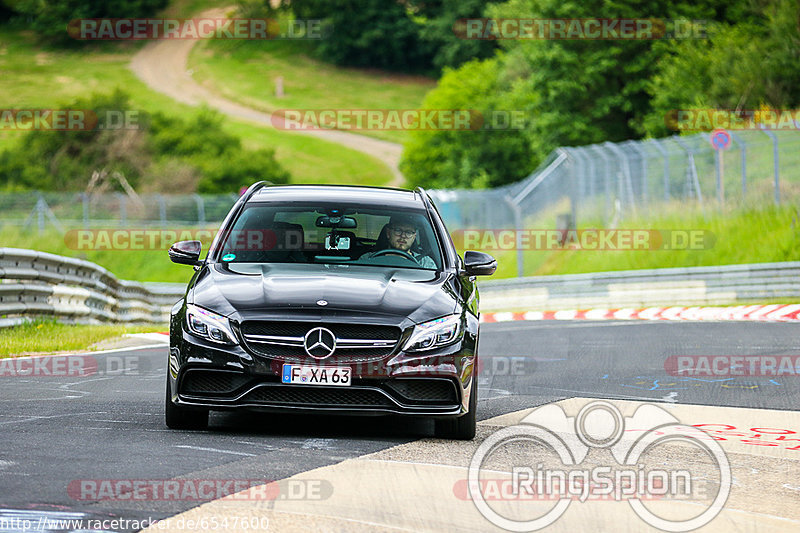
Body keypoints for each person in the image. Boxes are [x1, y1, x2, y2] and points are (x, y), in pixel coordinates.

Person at [359, 215, 436, 268]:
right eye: (398, 230)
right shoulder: (367, 259)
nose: (403, 236)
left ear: (414, 237)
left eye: (408, 232)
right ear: (388, 233)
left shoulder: (425, 263)